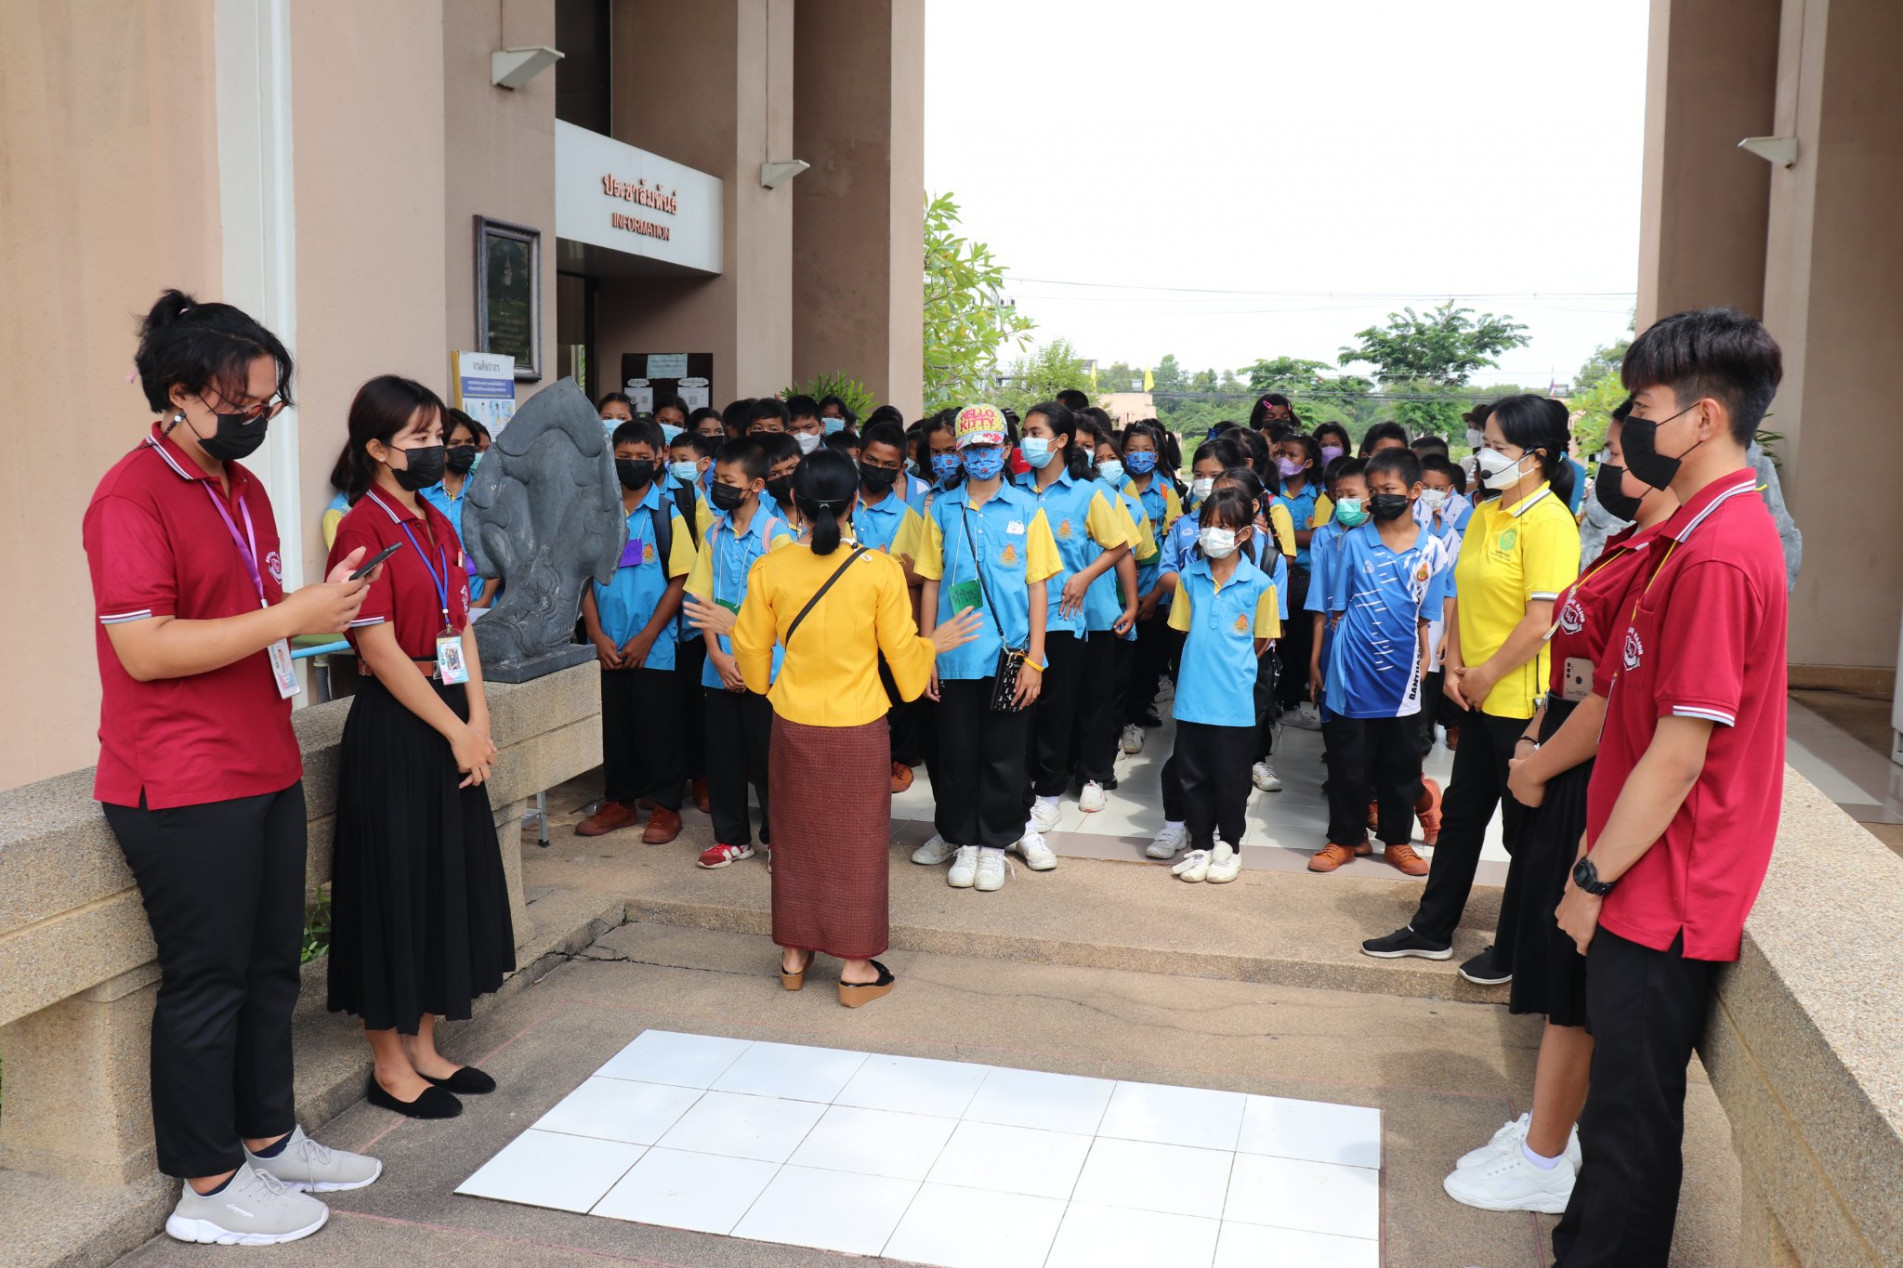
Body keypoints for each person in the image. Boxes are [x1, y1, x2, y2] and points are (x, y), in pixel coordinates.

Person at [88, 290, 381, 1245]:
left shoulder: (239, 488)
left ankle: (267, 1134)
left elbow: (249, 624)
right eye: (246, 405)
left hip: (262, 760)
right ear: (181, 394)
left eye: (271, 404)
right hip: (179, 779)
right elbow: (149, 649)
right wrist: (296, 615)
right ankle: (207, 1186)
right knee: (206, 980)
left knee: (270, 969)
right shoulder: (129, 497)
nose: (261, 421)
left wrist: (313, 610)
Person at [1550, 308, 1787, 1267]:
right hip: (1644, 871)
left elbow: (1681, 752)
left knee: (1630, 1129)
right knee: (1617, 1114)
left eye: (1644, 407)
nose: (1631, 427)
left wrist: (1590, 879)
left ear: (1699, 419)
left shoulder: (1722, 551)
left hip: (1667, 888)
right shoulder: (1687, 534)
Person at [1444, 403, 1680, 1216]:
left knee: (1572, 984)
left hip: (1582, 772)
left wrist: (1535, 765)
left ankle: (1547, 1156)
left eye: (1618, 451)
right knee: (1558, 984)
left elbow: (1617, 698)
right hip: (1559, 750)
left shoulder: (1671, 559)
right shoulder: (1625, 546)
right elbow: (1581, 668)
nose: (1608, 466)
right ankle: (1546, 1133)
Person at [709, 450, 982, 1006]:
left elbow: (756, 671)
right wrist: (937, 643)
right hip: (857, 727)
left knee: (795, 838)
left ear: (794, 503)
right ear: (856, 501)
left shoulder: (771, 568)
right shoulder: (877, 570)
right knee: (856, 846)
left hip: (792, 723)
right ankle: (855, 968)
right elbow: (905, 667)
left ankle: (794, 956)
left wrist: (737, 630)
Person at [324, 374, 516, 1125]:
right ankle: (389, 1062)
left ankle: (428, 1042)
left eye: (440, 438)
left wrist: (477, 716)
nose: (438, 451)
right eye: (422, 440)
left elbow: (459, 624)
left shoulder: (434, 520)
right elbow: (378, 647)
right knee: (392, 890)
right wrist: (451, 728)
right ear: (377, 448)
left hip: (448, 721)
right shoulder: (359, 528)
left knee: (444, 884)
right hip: (398, 731)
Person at [1362, 394, 1581, 981]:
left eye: (1498, 446)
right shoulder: (1486, 513)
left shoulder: (1550, 523)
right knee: (1461, 816)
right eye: (1483, 443)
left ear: (1535, 457)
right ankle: (1431, 929)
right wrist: (1456, 667)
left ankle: (1517, 952)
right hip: (1475, 694)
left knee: (1523, 833)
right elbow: (1459, 594)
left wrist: (1485, 675)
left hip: (1520, 704)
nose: (1484, 455)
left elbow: (1543, 622)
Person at [911, 404, 1058, 890]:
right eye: (970, 448)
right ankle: (964, 841)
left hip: (1009, 656)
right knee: (956, 753)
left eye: (989, 447)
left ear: (1006, 450)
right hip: (954, 656)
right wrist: (927, 650)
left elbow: (1038, 588)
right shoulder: (942, 509)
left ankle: (994, 845)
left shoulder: (1027, 509)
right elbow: (930, 583)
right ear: (958, 452)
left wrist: (1035, 659)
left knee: (1003, 754)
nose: (980, 456)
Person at [1310, 448, 1454, 878]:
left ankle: (1397, 842)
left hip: (1403, 675)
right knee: (1347, 760)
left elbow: (1428, 614)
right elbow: (1337, 607)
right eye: (1372, 492)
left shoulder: (1432, 548)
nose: (1377, 499)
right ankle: (1344, 838)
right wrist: (1326, 663)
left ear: (1414, 492)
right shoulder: (1353, 541)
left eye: (1387, 490)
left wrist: (1427, 655)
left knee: (1401, 762)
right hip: (1352, 669)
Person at [575, 417, 698, 843]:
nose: (632, 463)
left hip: (655, 644)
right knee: (616, 725)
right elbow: (583, 577)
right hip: (608, 642)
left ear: (659, 459)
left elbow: (681, 579)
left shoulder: (668, 512)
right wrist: (594, 632)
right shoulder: (595, 513)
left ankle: (665, 807)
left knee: (659, 725)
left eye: (642, 457)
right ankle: (618, 802)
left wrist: (648, 636)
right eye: (623, 456)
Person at [1017, 401, 1135, 829]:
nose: (1027, 441)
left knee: (1059, 706)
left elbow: (1120, 544)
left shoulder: (1088, 493)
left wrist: (1085, 576)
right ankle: (1030, 783)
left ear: (1061, 440)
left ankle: (1054, 789)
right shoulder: (1013, 488)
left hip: (1065, 618)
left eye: (1035, 432)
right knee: (1022, 708)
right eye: (1025, 432)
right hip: (1018, 620)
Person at [682, 439, 795, 868]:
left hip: (767, 671)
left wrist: (749, 661)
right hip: (720, 668)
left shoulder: (777, 535)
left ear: (757, 486)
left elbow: (786, 611)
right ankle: (731, 837)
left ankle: (780, 838)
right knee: (724, 756)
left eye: (729, 482)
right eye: (717, 480)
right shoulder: (713, 533)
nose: (719, 488)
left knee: (770, 758)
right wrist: (717, 656)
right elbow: (700, 600)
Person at [1161, 487, 1281, 884]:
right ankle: (1200, 844)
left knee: (1231, 778)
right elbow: (1180, 630)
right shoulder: (1189, 579)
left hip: (1234, 700)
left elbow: (1262, 641)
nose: (1213, 534)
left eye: (1224, 527)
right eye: (1207, 526)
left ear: (1244, 534)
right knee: (1192, 775)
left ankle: (1229, 844)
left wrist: (1233, 667)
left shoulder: (1260, 584)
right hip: (1193, 696)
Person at [852, 420, 930, 791]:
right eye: (871, 460)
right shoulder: (840, 504)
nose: (878, 469)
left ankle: (896, 759)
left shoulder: (908, 516)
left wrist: (882, 569)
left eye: (888, 465)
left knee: (892, 695)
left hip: (888, 624)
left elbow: (918, 573)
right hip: (844, 624)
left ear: (901, 468)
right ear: (858, 456)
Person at [1271, 432, 1332, 725]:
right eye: (1281, 453)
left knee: (1298, 640)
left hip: (1305, 576)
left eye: (1292, 455)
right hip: (1275, 574)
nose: (1284, 460)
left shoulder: (1318, 496)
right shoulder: (1272, 490)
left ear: (1308, 463)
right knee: (1276, 638)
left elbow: (1319, 536)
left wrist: (1281, 532)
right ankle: (1271, 701)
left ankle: (1292, 700)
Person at [421, 409, 497, 608]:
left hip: (479, 596)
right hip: (434, 597)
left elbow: (498, 549)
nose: (464, 449)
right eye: (454, 444)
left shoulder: (487, 492)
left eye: (469, 443)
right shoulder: (421, 494)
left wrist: (485, 599)